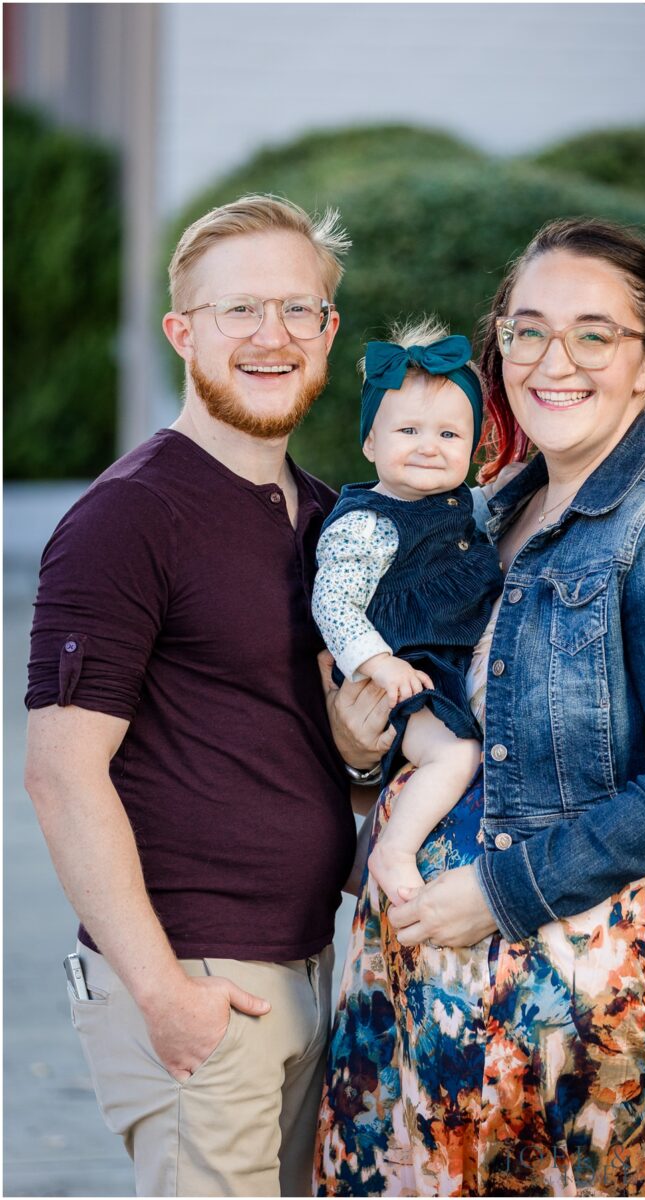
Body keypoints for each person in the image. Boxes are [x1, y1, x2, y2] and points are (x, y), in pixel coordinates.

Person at [316, 217, 645, 1196]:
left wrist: (500, 895)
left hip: (564, 997)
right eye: (527, 330)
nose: (553, 361)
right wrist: (358, 754)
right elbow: (425, 714)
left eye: (593, 334)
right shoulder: (486, 508)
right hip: (426, 974)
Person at [24, 194, 369, 1198]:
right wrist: (163, 993)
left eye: (298, 310)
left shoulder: (326, 518)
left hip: (310, 970)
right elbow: (60, 772)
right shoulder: (126, 519)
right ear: (182, 332)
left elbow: (309, 743)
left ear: (328, 332)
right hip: (202, 982)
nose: (272, 336)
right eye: (238, 312)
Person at [312, 319, 502, 905]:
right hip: (396, 676)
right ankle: (389, 851)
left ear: (472, 451)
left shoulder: (465, 510)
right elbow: (333, 602)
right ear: (370, 442)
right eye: (409, 430)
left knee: (442, 762)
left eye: (449, 434)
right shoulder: (368, 524)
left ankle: (368, 850)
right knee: (455, 755)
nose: (428, 445)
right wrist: (379, 663)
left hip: (436, 668)